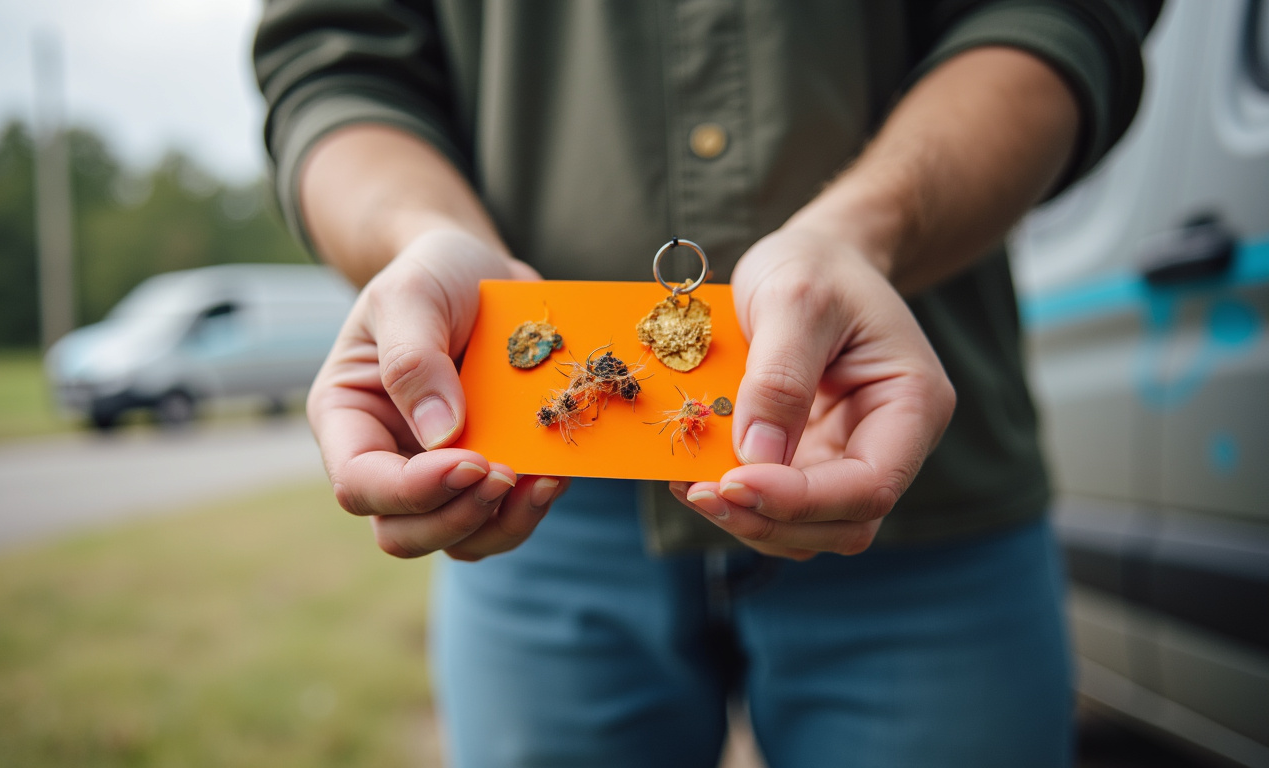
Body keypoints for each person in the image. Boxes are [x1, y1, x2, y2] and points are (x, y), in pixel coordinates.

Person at [254, 2, 1160, 766]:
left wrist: (866, 230)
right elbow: (336, 59)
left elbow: (1062, 16)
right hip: (535, 497)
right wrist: (418, 235)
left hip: (911, 475)